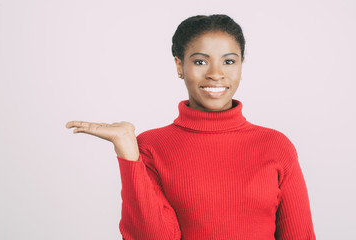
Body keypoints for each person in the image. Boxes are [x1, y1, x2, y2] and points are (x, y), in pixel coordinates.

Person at [66, 14, 316, 239]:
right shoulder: (151, 146)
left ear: (240, 67)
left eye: (229, 61)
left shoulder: (276, 145)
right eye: (200, 62)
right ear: (179, 66)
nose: (216, 73)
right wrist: (127, 151)